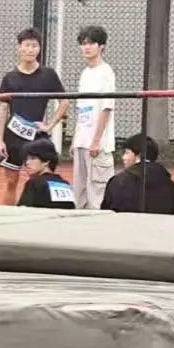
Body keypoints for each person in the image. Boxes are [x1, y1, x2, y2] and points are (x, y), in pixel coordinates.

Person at [0, 28, 67, 205]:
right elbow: (2, 108)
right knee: (11, 181)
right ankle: (7, 217)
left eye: (34, 46)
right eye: (27, 45)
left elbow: (64, 101)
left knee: (39, 180)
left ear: (39, 48)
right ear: (19, 47)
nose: (30, 50)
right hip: (13, 136)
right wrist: (0, 140)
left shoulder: (48, 75)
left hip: (37, 137)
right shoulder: (10, 77)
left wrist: (50, 126)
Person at [71, 26, 116, 210]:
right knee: (79, 195)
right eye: (83, 44)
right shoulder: (85, 73)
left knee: (97, 196)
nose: (86, 47)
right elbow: (82, 109)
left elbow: (106, 108)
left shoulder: (106, 72)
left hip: (98, 145)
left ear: (101, 46)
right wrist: (75, 140)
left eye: (91, 43)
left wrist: (96, 141)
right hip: (82, 142)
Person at [101, 134, 174, 215]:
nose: (123, 157)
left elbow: (107, 213)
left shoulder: (118, 182)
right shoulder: (171, 186)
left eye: (127, 153)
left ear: (139, 155)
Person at [17, 138, 76, 209]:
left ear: (46, 161)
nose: (27, 163)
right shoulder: (66, 184)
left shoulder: (33, 183)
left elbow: (23, 211)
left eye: (33, 158)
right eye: (26, 159)